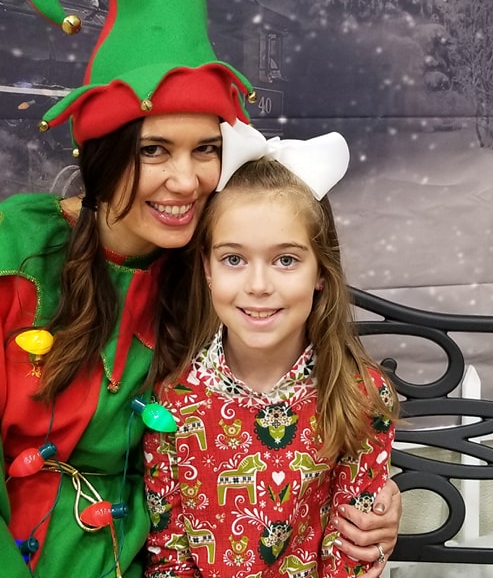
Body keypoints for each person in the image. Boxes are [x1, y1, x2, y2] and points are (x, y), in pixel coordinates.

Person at [0, 0, 401, 576]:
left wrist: (371, 500)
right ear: (104, 153)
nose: (184, 180)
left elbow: (270, 432)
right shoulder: (2, 256)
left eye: (205, 149)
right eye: (153, 150)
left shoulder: (210, 272)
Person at [143, 123, 400, 577]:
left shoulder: (359, 394)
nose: (258, 285)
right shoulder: (172, 402)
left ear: (321, 272)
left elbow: (352, 555)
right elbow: (168, 556)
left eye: (286, 260)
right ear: (207, 269)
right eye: (234, 259)